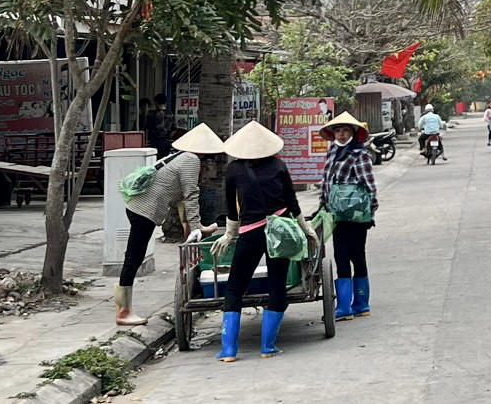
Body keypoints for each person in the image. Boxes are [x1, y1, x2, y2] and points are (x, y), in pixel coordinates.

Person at [210, 121, 319, 362]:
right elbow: (292, 202)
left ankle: (229, 350)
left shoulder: (234, 170)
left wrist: (229, 234)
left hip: (249, 233)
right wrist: (306, 229)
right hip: (279, 231)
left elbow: (231, 208)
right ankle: (268, 347)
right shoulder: (279, 165)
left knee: (235, 288)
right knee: (277, 285)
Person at [115, 123, 223, 326]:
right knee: (133, 258)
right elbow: (191, 194)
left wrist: (193, 225)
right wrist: (196, 227)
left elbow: (181, 197)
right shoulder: (191, 159)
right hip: (144, 210)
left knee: (133, 257)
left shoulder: (180, 156)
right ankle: (123, 312)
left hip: (138, 206)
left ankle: (123, 309)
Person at [318, 112, 377, 321]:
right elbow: (326, 182)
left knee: (357, 256)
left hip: (357, 216)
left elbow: (369, 185)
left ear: (353, 133)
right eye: (338, 131)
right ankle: (344, 306)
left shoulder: (360, 155)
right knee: (341, 256)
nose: (341, 135)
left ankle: (361, 304)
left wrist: (371, 212)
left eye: (345, 131)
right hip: (337, 215)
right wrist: (322, 205)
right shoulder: (332, 152)